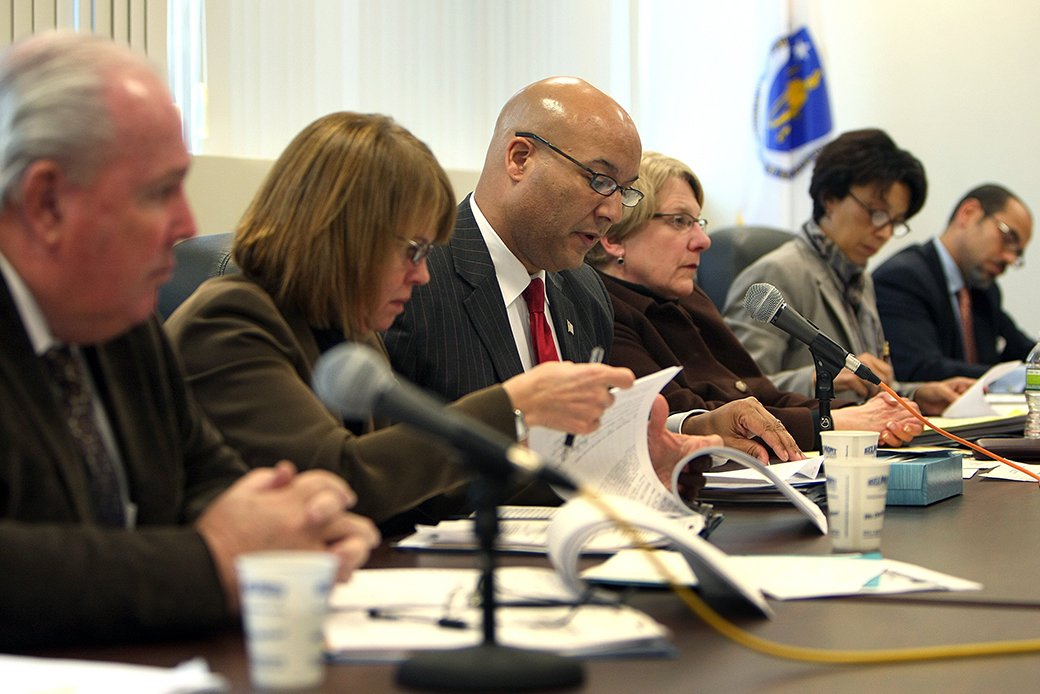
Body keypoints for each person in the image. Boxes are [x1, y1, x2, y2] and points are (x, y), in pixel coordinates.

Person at [0, 32, 379, 650]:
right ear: (46, 203)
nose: (188, 225)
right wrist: (216, 558)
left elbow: (204, 478)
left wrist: (296, 519)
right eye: (158, 192)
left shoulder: (120, 319)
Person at [166, 112, 633, 526]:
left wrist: (617, 480)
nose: (424, 275)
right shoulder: (229, 322)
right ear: (339, 234)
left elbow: (422, 481)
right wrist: (512, 404)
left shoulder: (351, 331)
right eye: (413, 250)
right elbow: (343, 480)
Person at [384, 76, 804, 491]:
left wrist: (694, 430)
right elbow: (388, 474)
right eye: (600, 181)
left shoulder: (584, 289)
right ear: (519, 159)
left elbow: (590, 442)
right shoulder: (414, 280)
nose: (614, 213)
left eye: (624, 191)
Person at [585, 151, 922, 449]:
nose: (703, 240)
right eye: (680, 222)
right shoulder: (600, 309)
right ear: (615, 237)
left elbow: (762, 394)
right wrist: (834, 425)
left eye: (698, 222)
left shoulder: (688, 299)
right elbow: (686, 417)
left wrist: (857, 413)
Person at [723, 129, 973, 414]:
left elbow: (860, 386)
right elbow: (736, 389)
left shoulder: (861, 278)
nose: (884, 233)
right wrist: (818, 379)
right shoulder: (775, 274)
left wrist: (916, 393)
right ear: (830, 197)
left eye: (895, 222)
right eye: (877, 213)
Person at [873, 184, 1034, 381]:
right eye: (1008, 237)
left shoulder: (984, 290)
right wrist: (1015, 376)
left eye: (1017, 253)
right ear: (969, 213)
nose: (1010, 258)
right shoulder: (902, 277)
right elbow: (920, 369)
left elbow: (1024, 350)